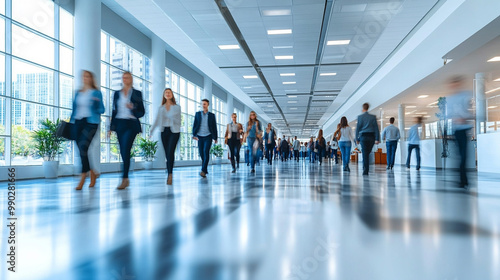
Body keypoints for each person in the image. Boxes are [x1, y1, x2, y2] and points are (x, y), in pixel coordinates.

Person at [109, 72, 145, 189]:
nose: (125, 79)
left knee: (126, 148)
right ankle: (125, 177)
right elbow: (114, 111)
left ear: (131, 79)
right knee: (123, 151)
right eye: (123, 77)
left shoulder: (137, 93)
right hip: (120, 124)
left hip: (131, 124)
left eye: (128, 77)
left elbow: (142, 112)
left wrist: (133, 108)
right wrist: (111, 128)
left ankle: (124, 178)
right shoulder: (116, 94)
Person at [70, 70, 105, 190]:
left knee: (84, 147)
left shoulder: (96, 93)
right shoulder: (77, 93)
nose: (85, 78)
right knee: (81, 150)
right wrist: (71, 123)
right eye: (84, 76)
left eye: (88, 76)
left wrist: (96, 104)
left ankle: (83, 177)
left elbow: (102, 110)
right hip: (77, 122)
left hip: (91, 122)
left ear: (91, 79)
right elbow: (74, 110)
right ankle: (92, 172)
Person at [149, 88, 181, 185]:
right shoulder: (161, 108)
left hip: (174, 131)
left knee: (170, 151)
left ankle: (170, 174)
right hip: (164, 131)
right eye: (166, 92)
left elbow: (179, 121)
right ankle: (169, 170)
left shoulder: (177, 107)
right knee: (167, 154)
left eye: (169, 92)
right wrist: (151, 130)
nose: (167, 94)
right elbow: (157, 120)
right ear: (164, 95)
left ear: (172, 94)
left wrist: (171, 118)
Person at [447, 76, 473, 188]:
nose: (454, 86)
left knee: (464, 155)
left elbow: (470, 111)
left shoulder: (465, 95)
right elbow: (449, 115)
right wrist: (456, 119)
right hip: (457, 130)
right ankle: (463, 180)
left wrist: (465, 118)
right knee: (461, 155)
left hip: (465, 129)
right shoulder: (451, 99)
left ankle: (464, 180)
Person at [192, 99, 218, 178]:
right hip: (199, 136)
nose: (203, 105)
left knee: (206, 151)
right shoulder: (197, 114)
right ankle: (205, 169)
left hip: (208, 136)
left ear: (208, 105)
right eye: (202, 104)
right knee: (201, 153)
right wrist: (194, 135)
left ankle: (203, 170)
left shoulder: (211, 115)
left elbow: (214, 127)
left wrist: (215, 138)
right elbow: (195, 125)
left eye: (205, 104)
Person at [356, 103, 380, 175]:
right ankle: (366, 168)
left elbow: (358, 128)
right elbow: (376, 128)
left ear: (363, 108)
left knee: (365, 153)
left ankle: (365, 169)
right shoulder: (373, 117)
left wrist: (356, 138)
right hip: (371, 137)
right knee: (368, 152)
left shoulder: (360, 117)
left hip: (363, 136)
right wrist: (377, 138)